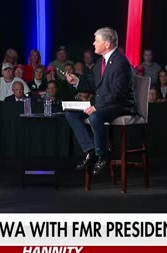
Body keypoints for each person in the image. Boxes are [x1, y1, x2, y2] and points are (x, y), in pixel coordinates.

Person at [65, 27, 135, 176]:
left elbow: (118, 93)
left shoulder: (120, 62)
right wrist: (77, 81)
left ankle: (102, 154)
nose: (93, 43)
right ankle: (90, 150)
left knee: (95, 116)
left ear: (107, 44)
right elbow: (93, 85)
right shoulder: (100, 62)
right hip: (105, 103)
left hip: (120, 105)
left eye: (97, 40)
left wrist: (96, 107)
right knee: (71, 114)